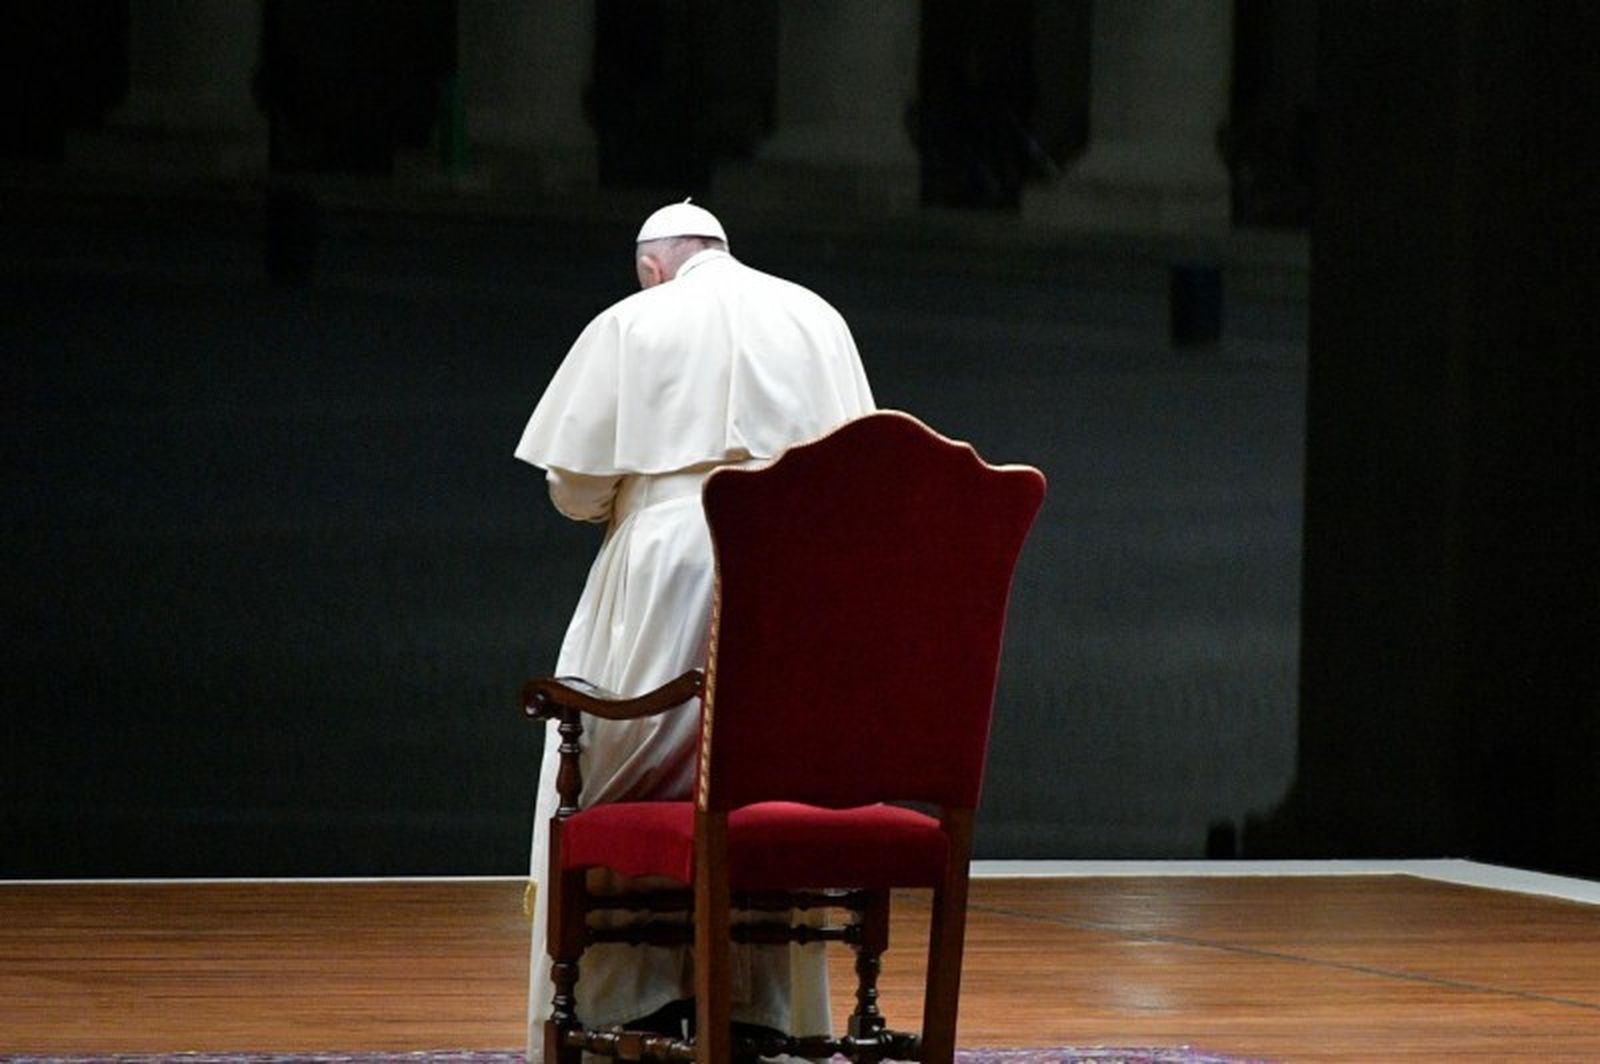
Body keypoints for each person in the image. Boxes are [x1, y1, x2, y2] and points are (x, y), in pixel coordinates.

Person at [514, 200, 876, 1058]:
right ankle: (761, 1006)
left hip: (665, 559)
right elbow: (861, 465)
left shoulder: (632, 321)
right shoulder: (817, 316)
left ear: (653, 267)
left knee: (615, 774)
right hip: (790, 567)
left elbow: (574, 486)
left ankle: (623, 1002)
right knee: (763, 782)